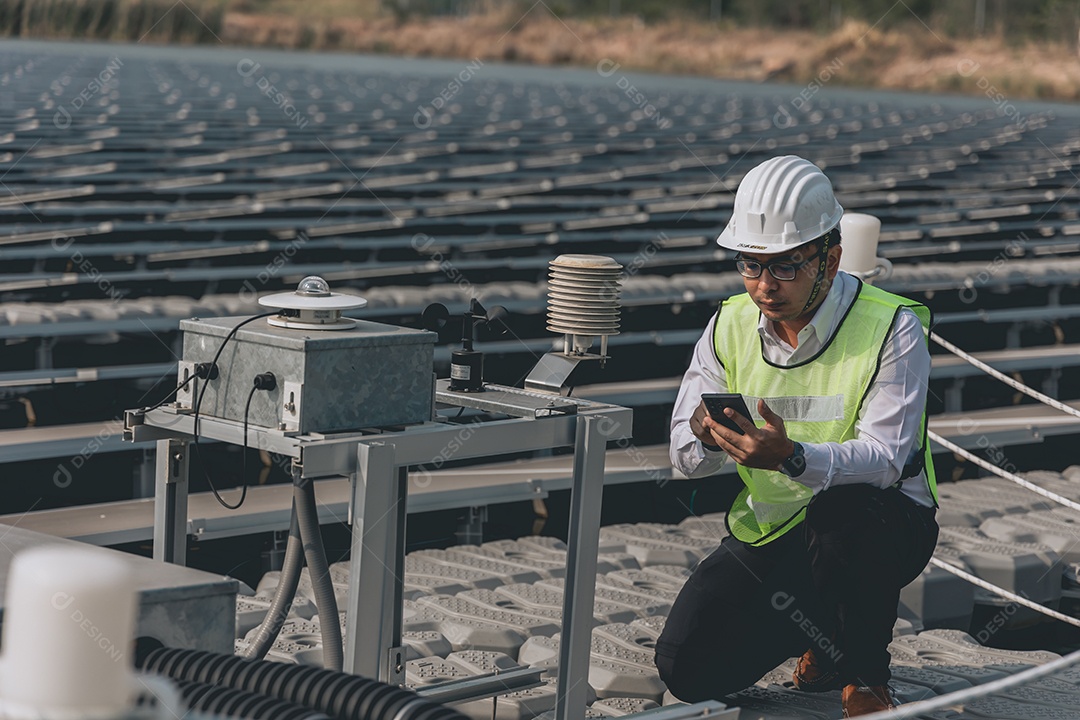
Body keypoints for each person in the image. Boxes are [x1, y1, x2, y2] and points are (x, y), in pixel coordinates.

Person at [656, 155, 939, 717]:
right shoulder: (728, 323)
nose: (764, 286)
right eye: (750, 265)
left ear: (831, 259)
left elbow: (885, 460)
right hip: (776, 529)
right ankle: (826, 633)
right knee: (687, 669)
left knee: (844, 514)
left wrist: (792, 457)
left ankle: (864, 677)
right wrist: (707, 436)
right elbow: (684, 458)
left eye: (786, 267)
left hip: (880, 526)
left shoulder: (892, 326)